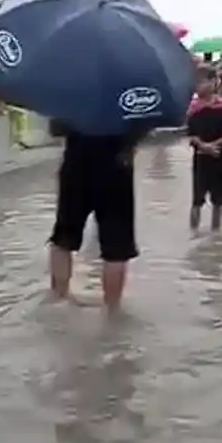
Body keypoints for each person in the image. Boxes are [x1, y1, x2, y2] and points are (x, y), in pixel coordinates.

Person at [49, 124, 143, 309]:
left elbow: (56, 128)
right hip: (117, 167)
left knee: (63, 237)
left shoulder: (72, 95)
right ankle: (113, 312)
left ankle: (58, 301)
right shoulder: (125, 98)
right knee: (117, 246)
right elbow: (142, 127)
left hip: (76, 165)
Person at [187, 67, 222, 230]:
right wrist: (204, 146)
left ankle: (215, 233)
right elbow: (191, 134)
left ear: (213, 82)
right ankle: (193, 233)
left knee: (218, 201)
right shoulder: (193, 108)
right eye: (196, 82)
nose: (199, 86)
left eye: (203, 81)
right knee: (197, 201)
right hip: (200, 160)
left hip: (219, 159)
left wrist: (215, 145)